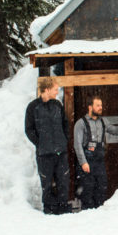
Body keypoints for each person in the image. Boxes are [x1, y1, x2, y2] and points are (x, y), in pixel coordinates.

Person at [74, 96, 118, 210]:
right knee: (87, 190)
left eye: (101, 105)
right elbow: (77, 145)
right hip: (87, 163)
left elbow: (117, 131)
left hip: (99, 162)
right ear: (90, 107)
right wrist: (83, 162)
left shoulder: (103, 121)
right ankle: (86, 217)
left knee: (101, 188)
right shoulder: (81, 124)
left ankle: (100, 215)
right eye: (98, 105)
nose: (101, 108)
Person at [24, 77, 71, 215]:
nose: (57, 92)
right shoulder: (33, 107)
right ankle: (49, 210)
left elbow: (65, 124)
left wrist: (64, 140)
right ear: (47, 89)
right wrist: (40, 143)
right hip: (44, 154)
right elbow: (29, 129)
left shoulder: (57, 105)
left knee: (63, 182)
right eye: (55, 89)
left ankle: (63, 209)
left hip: (60, 152)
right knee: (47, 184)